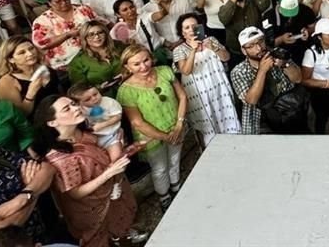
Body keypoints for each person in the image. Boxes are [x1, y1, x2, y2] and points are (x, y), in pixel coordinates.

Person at [31, 96, 146, 247]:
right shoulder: (60, 158)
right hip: (91, 209)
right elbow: (75, 193)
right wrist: (108, 174)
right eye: (67, 109)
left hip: (115, 191)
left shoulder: (84, 133)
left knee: (121, 226)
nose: (76, 108)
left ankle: (124, 236)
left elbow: (103, 157)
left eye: (74, 104)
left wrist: (125, 151)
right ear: (52, 122)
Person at [117, 45, 188, 210]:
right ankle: (164, 196)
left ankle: (177, 186)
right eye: (136, 64)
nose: (143, 66)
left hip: (175, 126)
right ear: (127, 66)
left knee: (175, 159)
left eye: (146, 60)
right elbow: (137, 122)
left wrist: (179, 123)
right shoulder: (126, 91)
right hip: (150, 136)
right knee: (159, 168)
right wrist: (165, 136)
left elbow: (182, 96)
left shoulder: (164, 71)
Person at [172, 13, 240, 146]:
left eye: (194, 26)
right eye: (186, 28)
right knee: (207, 123)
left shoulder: (211, 40)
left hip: (218, 87)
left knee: (226, 115)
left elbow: (226, 58)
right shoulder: (179, 50)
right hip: (198, 93)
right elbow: (185, 70)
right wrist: (193, 50)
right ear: (182, 33)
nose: (191, 30)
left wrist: (213, 47)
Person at [231, 26, 306, 135]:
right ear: (244, 50)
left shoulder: (278, 53)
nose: (258, 48)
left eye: (260, 42)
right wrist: (262, 71)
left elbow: (298, 79)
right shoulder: (239, 71)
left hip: (290, 113)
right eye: (251, 46)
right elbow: (251, 100)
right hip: (261, 121)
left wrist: (284, 64)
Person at [31, 0, 98, 74]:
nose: (63, 3)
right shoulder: (42, 21)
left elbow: (100, 23)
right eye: (58, 1)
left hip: (93, 54)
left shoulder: (83, 9)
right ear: (49, 3)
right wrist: (67, 35)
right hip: (65, 63)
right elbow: (41, 43)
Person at [68, 84, 124, 162]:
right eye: (87, 99)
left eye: (95, 94)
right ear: (78, 103)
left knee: (116, 158)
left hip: (111, 135)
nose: (94, 98)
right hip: (92, 138)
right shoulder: (79, 110)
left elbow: (117, 117)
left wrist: (103, 125)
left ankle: (118, 171)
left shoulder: (108, 102)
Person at [67, 21, 124, 92]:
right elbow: (80, 89)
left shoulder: (119, 46)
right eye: (91, 34)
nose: (97, 37)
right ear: (84, 38)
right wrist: (99, 88)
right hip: (103, 96)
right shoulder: (78, 62)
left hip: (130, 86)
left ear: (105, 33)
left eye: (100, 32)